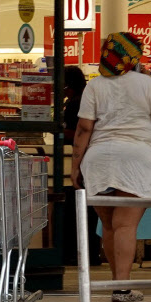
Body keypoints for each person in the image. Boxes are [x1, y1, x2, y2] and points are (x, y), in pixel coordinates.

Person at [71, 32, 151, 302]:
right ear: (133, 57)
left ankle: (119, 285)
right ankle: (122, 288)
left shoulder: (94, 86)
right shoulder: (144, 83)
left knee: (109, 224)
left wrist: (75, 166)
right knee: (126, 224)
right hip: (136, 158)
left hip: (99, 158)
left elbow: (83, 129)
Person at [63, 66, 102, 266]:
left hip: (82, 161)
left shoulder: (76, 103)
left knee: (77, 210)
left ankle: (79, 253)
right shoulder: (86, 99)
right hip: (92, 161)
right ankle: (91, 252)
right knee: (91, 211)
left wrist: (59, 131)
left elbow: (79, 131)